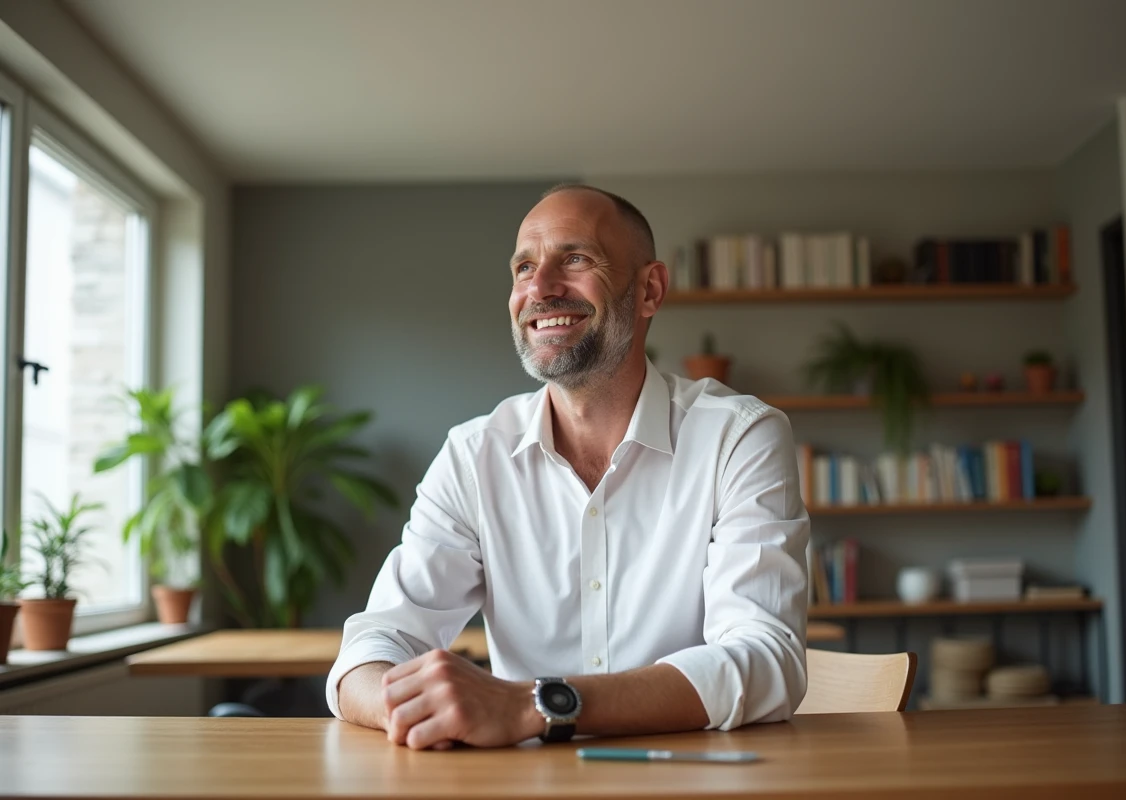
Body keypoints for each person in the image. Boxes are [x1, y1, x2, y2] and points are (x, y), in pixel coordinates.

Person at [327, 185, 809, 750]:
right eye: (524, 266)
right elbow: (374, 645)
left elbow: (765, 659)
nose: (539, 287)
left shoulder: (740, 436)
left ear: (649, 289)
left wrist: (535, 705)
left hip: (689, 780)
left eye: (576, 259)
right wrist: (424, 709)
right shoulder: (473, 455)